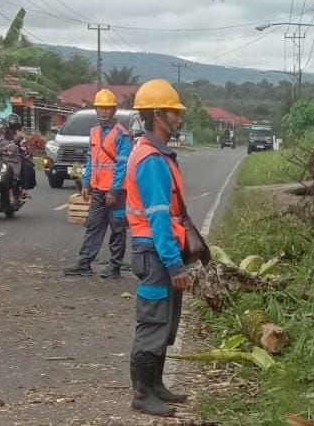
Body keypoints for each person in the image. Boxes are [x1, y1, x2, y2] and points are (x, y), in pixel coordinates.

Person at [123, 78, 193, 417]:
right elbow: (159, 219)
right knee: (153, 323)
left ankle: (157, 385)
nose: (179, 119)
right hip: (155, 253)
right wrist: (174, 264)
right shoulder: (151, 160)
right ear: (155, 115)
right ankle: (142, 393)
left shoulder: (158, 154)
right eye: (173, 112)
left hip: (161, 251)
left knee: (166, 319)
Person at [64, 89, 132, 278]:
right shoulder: (94, 132)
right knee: (93, 227)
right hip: (97, 190)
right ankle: (84, 264)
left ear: (114, 110)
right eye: (100, 108)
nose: (103, 112)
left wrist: (114, 189)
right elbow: (91, 159)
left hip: (116, 194)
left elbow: (122, 165)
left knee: (117, 230)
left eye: (107, 108)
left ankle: (114, 267)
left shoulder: (122, 135)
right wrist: (85, 183)